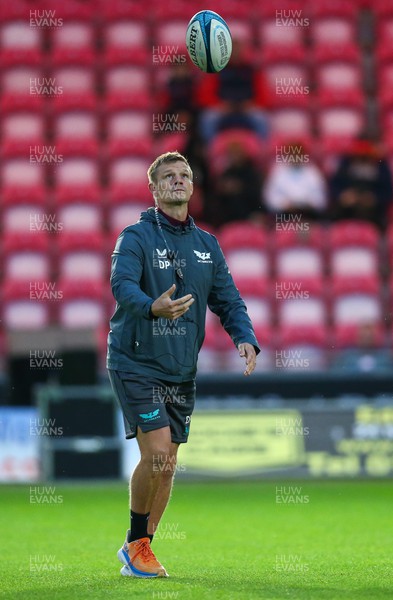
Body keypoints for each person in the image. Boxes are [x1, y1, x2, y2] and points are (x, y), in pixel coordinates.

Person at [107, 151, 260, 578]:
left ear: (193, 186)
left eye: (185, 175)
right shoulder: (134, 237)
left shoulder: (207, 245)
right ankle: (137, 544)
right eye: (169, 176)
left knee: (169, 464)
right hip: (135, 360)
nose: (178, 181)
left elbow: (228, 300)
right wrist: (151, 308)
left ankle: (141, 549)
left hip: (180, 368)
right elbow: (121, 286)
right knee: (156, 454)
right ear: (154, 188)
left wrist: (244, 337)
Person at [329, 137, 393, 229]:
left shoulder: (382, 166)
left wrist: (374, 198)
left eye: (366, 157)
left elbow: (389, 191)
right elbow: (334, 185)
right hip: (346, 210)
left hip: (373, 213)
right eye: (359, 156)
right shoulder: (345, 164)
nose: (362, 160)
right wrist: (343, 195)